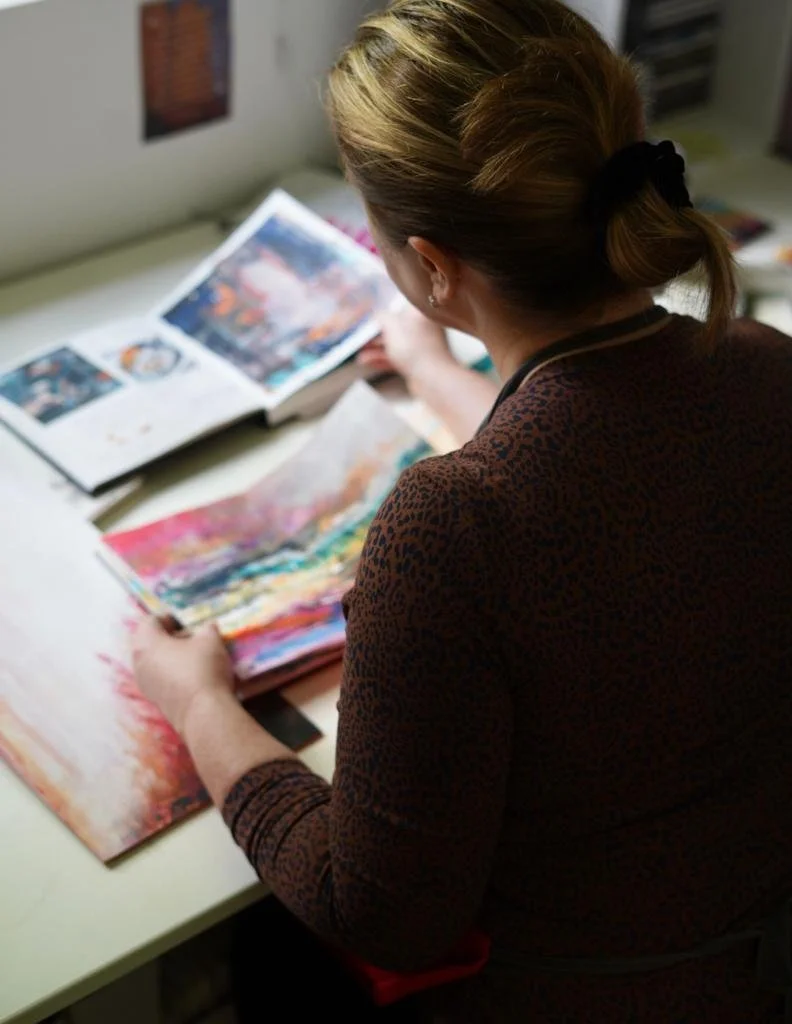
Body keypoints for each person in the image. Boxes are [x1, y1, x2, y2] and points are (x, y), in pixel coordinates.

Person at [132, 1, 792, 1020]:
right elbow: (608, 453)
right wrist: (436, 370)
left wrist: (199, 707)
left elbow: (377, 909)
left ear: (433, 268)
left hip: (580, 1002)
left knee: (262, 953)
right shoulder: (761, 365)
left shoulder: (448, 529)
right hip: (756, 962)